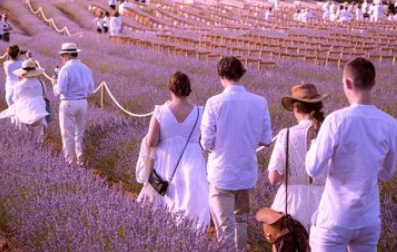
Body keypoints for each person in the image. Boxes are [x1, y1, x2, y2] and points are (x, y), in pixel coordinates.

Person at [306, 57, 397, 252]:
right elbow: (387, 173)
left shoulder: (336, 121)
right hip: (368, 218)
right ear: (373, 83)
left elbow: (313, 168)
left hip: (335, 218)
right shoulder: (390, 124)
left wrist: (314, 143)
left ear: (347, 82)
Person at [200, 56, 272, 251]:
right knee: (240, 221)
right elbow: (267, 139)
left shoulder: (214, 103)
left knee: (225, 228)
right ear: (241, 74)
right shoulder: (259, 102)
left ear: (221, 76)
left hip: (221, 172)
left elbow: (206, 143)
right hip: (246, 172)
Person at [138, 71, 210, 231]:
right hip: (192, 159)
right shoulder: (200, 112)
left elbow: (152, 141)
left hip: (165, 160)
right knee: (190, 198)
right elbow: (203, 140)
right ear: (188, 89)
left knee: (164, 199)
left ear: (170, 89)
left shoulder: (160, 111)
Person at [268, 84, 328, 231]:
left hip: (292, 205)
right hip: (324, 204)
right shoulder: (329, 134)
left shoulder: (287, 134)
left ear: (296, 109)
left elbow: (274, 178)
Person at [51, 43, 94, 166]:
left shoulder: (66, 69)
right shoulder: (85, 68)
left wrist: (54, 83)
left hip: (68, 103)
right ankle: (80, 160)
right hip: (83, 102)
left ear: (68, 54)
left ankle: (70, 162)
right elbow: (91, 89)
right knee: (80, 134)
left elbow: (61, 90)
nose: (62, 57)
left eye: (63, 55)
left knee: (67, 135)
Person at [0, 58, 49, 144]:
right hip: (39, 113)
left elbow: (14, 99)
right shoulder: (41, 83)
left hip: (23, 113)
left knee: (24, 135)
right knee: (37, 137)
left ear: (23, 72)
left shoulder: (19, 85)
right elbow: (44, 95)